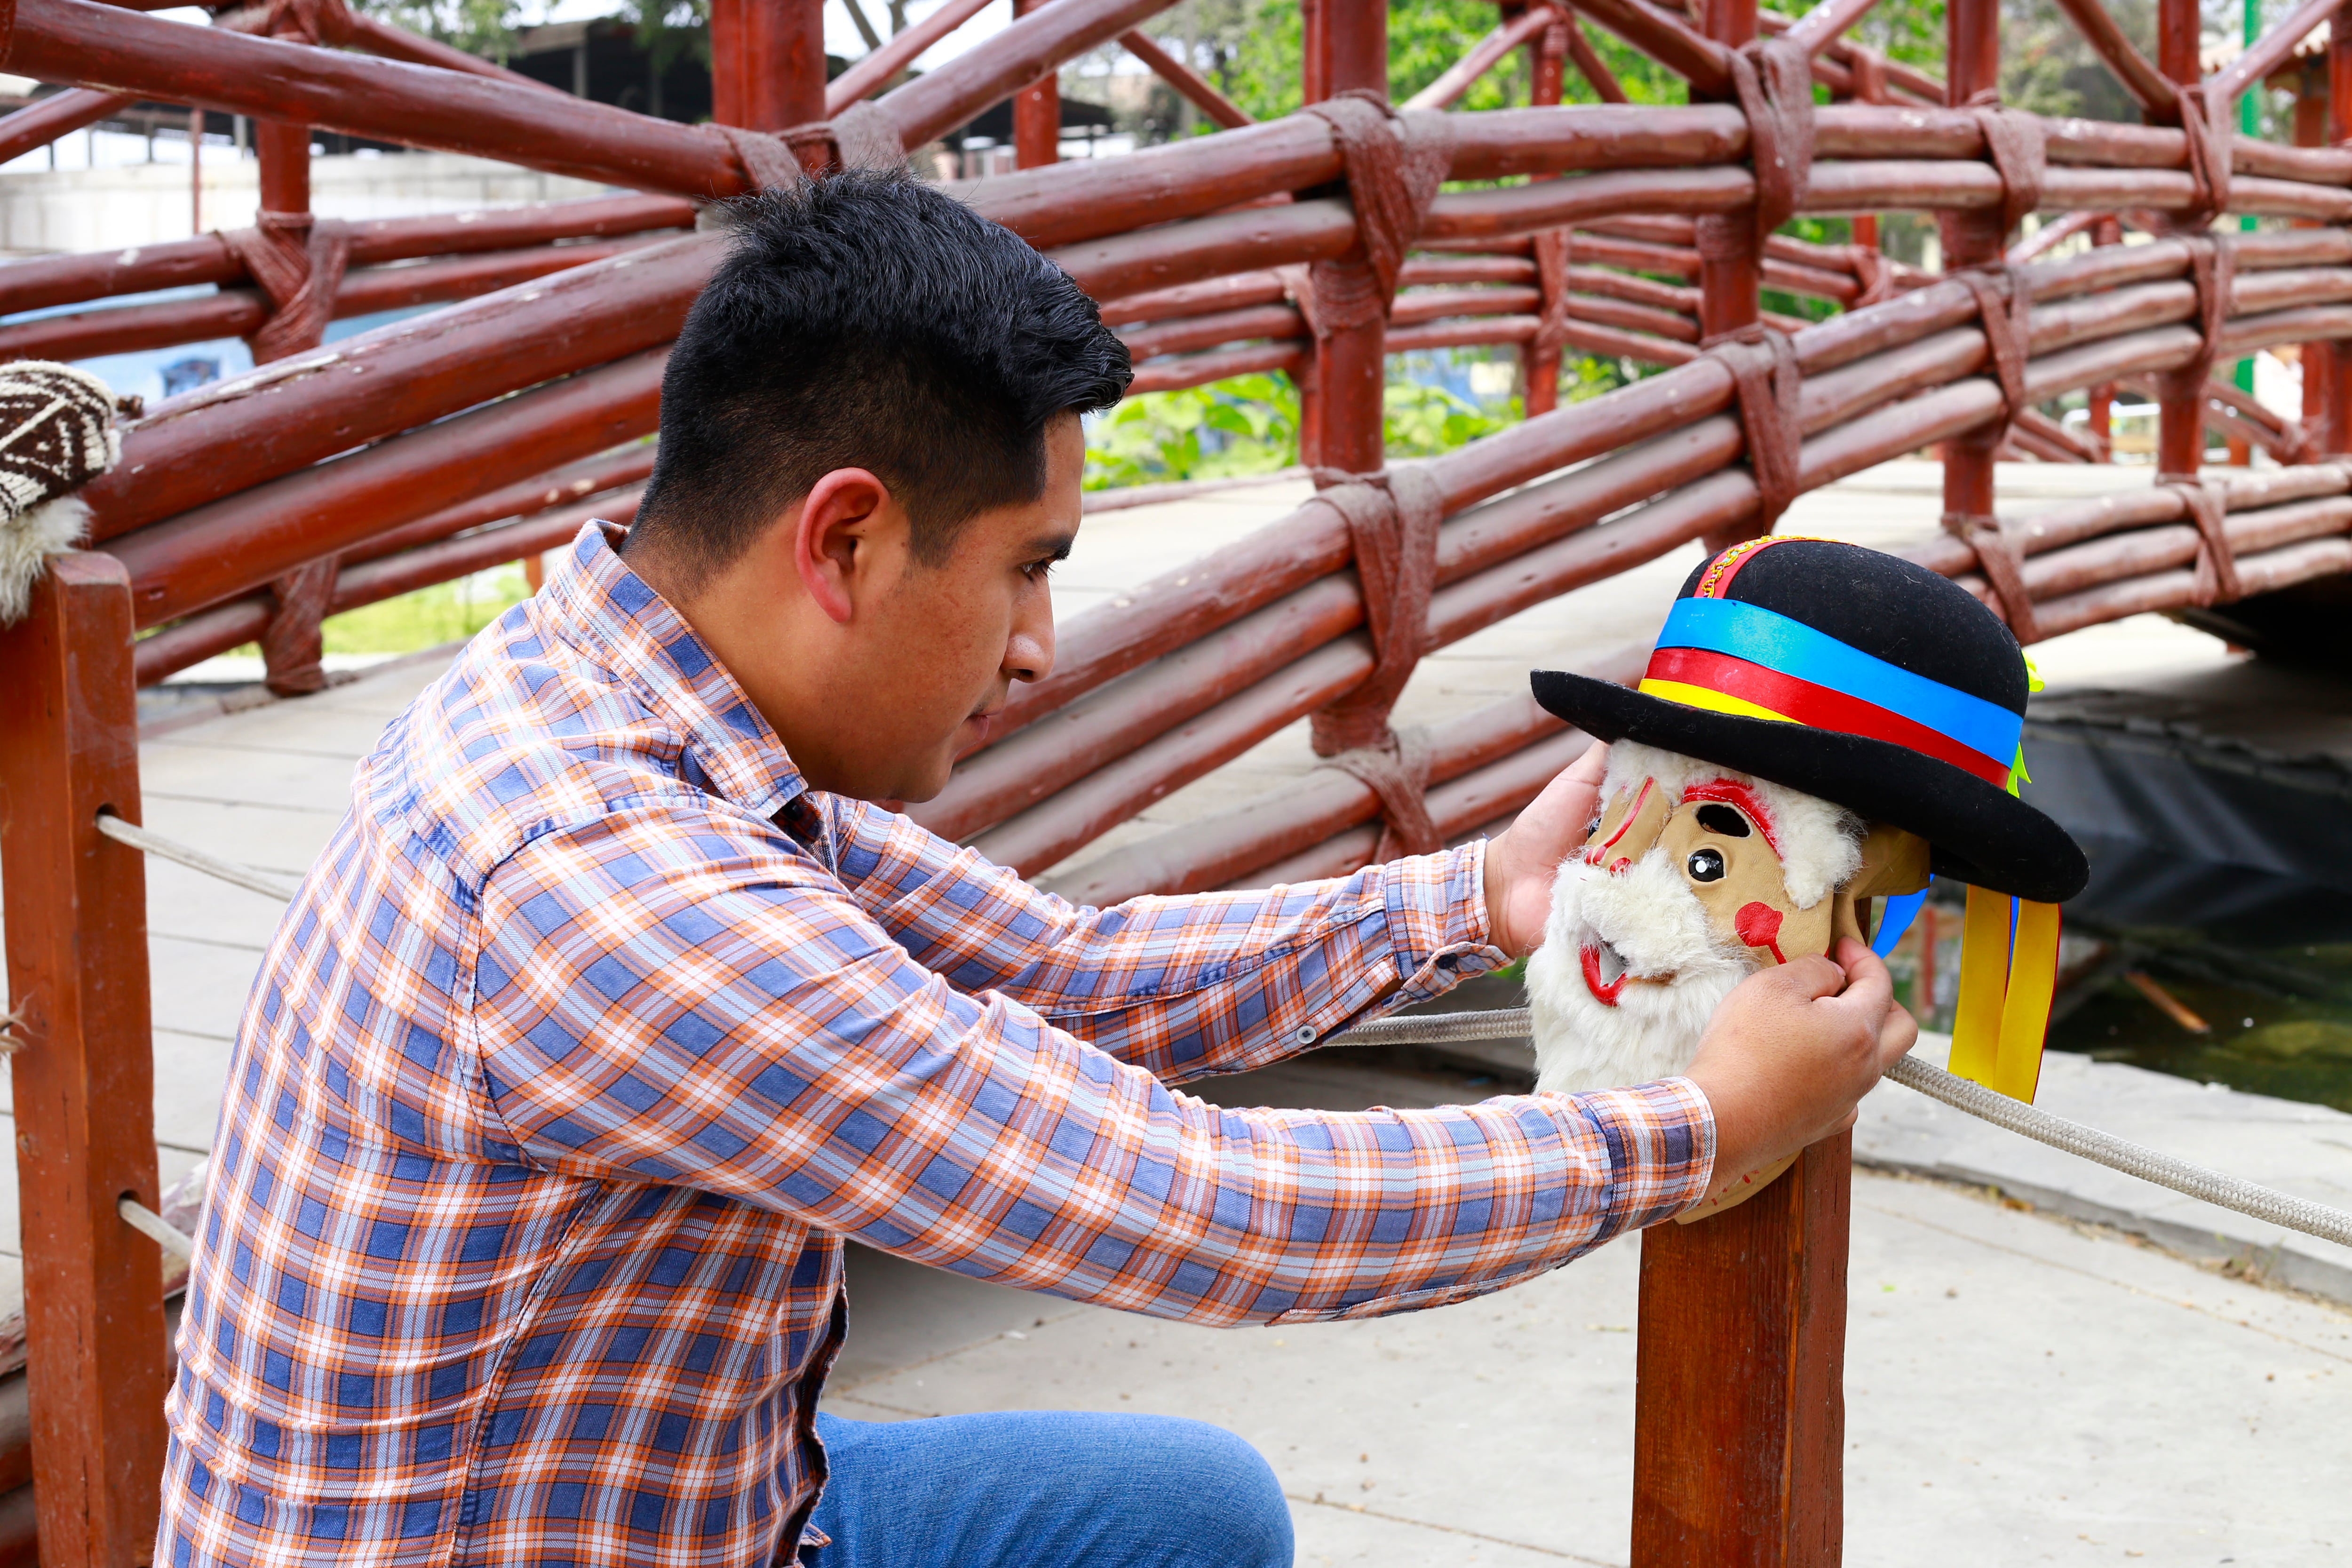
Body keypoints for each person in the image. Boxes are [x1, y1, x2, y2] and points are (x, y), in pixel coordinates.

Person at [157, 173, 1915, 1568]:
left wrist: (1475, 903)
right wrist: (1699, 1132)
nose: (1042, 648)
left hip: (684, 1498)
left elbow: (1066, 972)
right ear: (843, 538)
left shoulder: (610, 689)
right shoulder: (618, 900)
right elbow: (1208, 1207)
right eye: (1026, 569)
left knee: (1182, 1515)